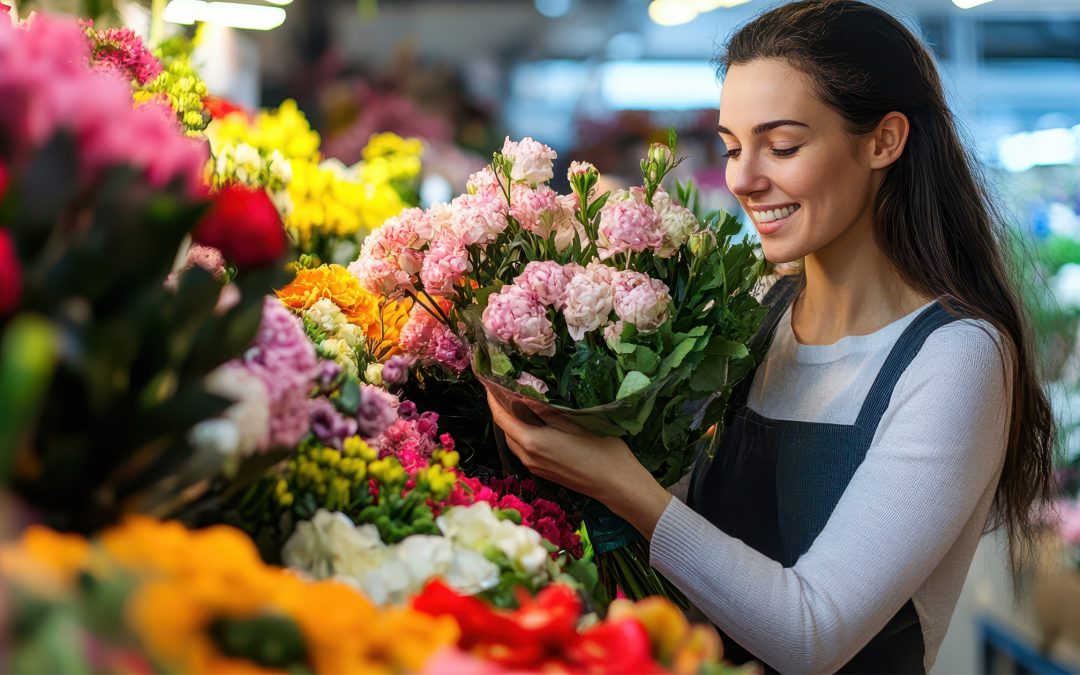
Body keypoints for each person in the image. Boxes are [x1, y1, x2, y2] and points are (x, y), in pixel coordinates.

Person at [485, 1, 1057, 672]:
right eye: (732, 146)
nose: (743, 178)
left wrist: (620, 484)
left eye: (782, 146)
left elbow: (812, 633)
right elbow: (697, 542)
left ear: (884, 140)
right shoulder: (757, 313)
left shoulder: (956, 357)